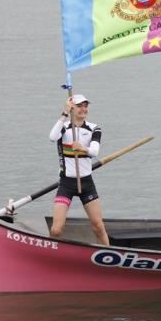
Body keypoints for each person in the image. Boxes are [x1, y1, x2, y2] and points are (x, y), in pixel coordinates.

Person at [49, 94, 109, 245]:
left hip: (87, 183)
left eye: (85, 106)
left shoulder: (94, 128)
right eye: (79, 106)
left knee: (98, 227)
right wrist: (63, 114)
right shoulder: (64, 127)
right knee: (56, 230)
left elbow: (94, 152)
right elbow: (52, 137)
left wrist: (82, 147)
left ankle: (109, 257)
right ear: (72, 108)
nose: (83, 109)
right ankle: (50, 258)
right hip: (66, 184)